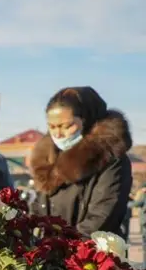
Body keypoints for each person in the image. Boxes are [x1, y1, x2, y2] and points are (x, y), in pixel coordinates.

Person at [29, 86, 132, 237]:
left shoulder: (110, 159)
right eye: (52, 127)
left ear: (86, 121)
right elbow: (38, 208)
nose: (58, 133)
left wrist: (64, 246)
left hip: (91, 253)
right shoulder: (47, 161)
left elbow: (102, 216)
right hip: (50, 252)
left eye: (66, 126)